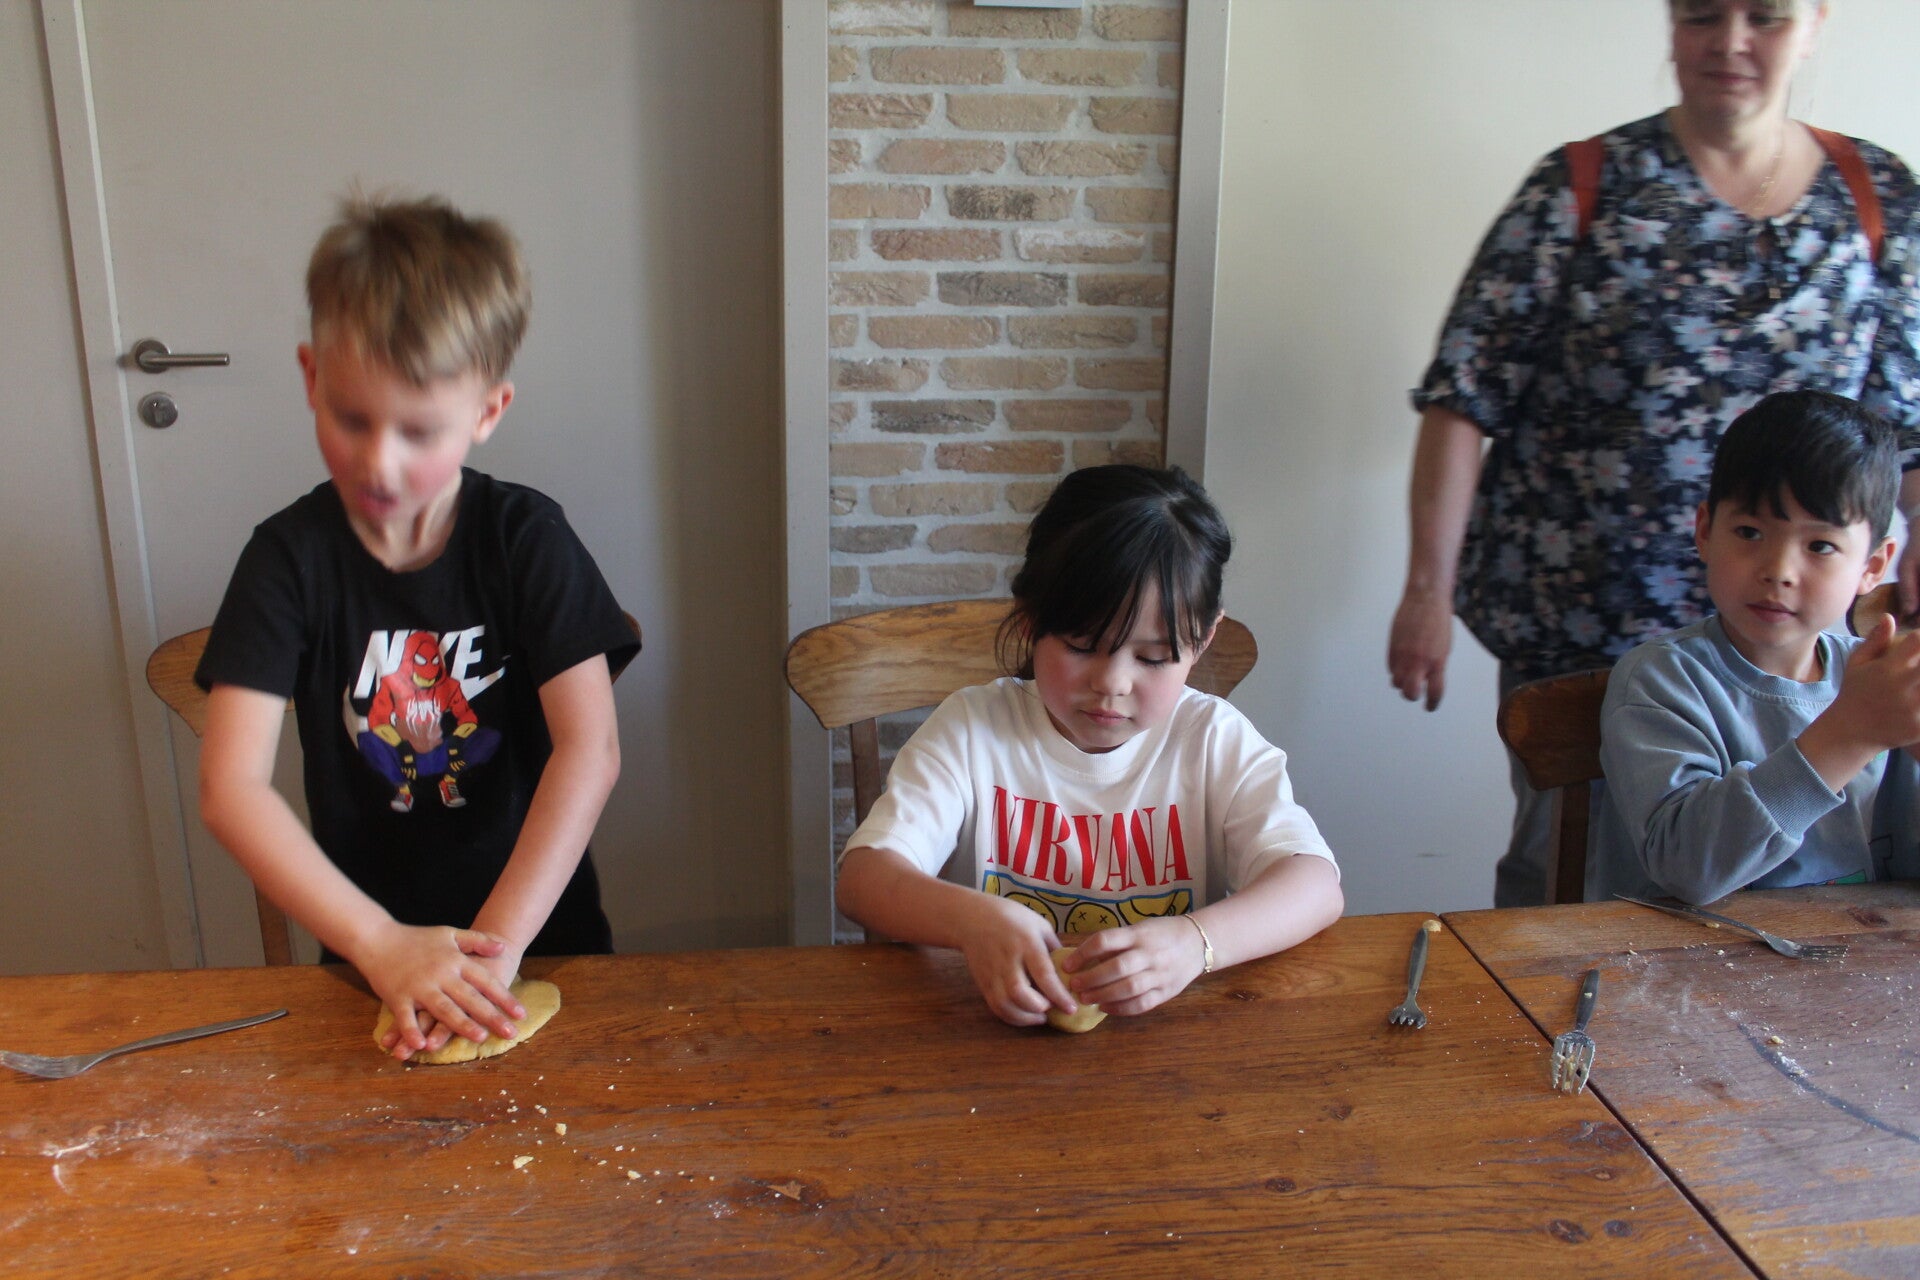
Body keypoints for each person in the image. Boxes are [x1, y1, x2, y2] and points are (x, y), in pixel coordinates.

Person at [1387, 0, 1920, 906]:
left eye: (1766, 17)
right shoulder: (1581, 187)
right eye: (1703, 14)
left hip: (1804, 654)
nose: (1731, 41)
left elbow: (1909, 427)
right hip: (1582, 632)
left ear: (1813, 23)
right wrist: (1425, 594)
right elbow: (1463, 399)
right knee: (1569, 885)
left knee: (1813, 866)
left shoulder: (1877, 199)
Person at [196, 194, 638, 1060]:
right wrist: (379, 943)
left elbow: (591, 750)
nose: (380, 462)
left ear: (488, 411)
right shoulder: (286, 560)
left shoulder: (526, 538)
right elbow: (231, 789)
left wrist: (496, 952)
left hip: (541, 941)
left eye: (420, 431)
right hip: (367, 958)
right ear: (311, 378)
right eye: (351, 419)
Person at [834, 465, 1344, 1028]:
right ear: (1030, 622)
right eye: (1081, 645)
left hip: (1167, 1039)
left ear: (1202, 640)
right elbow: (863, 880)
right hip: (986, 1034)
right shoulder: (972, 730)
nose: (1112, 683)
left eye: (1153, 657)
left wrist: (1194, 942)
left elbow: (1315, 885)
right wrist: (971, 921)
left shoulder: (1213, 739)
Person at [1594, 390, 1920, 904]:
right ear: (1705, 532)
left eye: (1820, 546)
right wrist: (1849, 734)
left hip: (1852, 948)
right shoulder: (1659, 680)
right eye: (1749, 532)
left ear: (1873, 567)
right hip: (1678, 950)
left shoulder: (1878, 682)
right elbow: (1686, 868)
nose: (1779, 571)